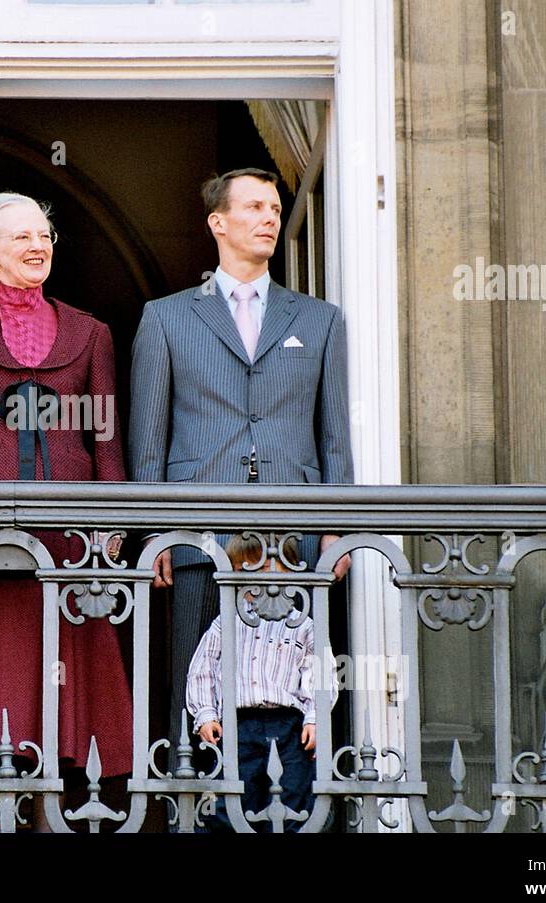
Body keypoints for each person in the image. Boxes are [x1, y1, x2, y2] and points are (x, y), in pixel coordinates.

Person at [0, 192, 133, 827]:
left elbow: (107, 438)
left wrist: (111, 521)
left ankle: (53, 805)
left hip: (69, 538)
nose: (37, 247)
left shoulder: (91, 332)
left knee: (63, 662)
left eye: (44, 236)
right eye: (20, 238)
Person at [127, 167, 354, 733]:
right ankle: (192, 812)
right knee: (196, 683)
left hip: (295, 530)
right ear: (218, 222)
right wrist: (156, 530)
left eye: (274, 209)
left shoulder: (319, 319)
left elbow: (334, 434)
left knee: (301, 683)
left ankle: (302, 816)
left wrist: (338, 527)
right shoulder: (166, 317)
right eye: (253, 207)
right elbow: (148, 438)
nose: (269, 218)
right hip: (198, 530)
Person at [185, 533, 331, 833]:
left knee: (293, 798)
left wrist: (315, 718)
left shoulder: (302, 624)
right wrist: (206, 713)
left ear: (291, 574)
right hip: (238, 724)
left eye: (268, 569)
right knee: (234, 797)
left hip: (289, 725)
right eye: (248, 571)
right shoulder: (228, 621)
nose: (260, 581)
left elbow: (320, 673)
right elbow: (203, 667)